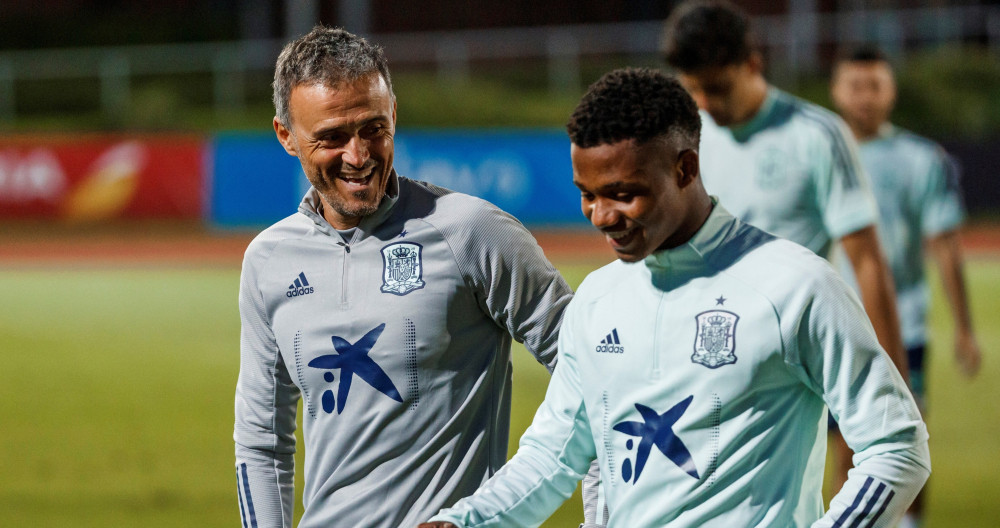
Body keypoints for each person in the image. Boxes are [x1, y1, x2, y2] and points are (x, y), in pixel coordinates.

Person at [419, 67, 929, 528]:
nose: (600, 216)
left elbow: (898, 445)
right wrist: (462, 522)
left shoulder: (796, 286)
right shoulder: (597, 299)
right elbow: (553, 457)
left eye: (622, 193)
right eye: (587, 193)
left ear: (685, 169)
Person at [233, 26, 575, 528]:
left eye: (373, 128)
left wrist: (496, 513)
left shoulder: (472, 231)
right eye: (331, 137)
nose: (358, 155)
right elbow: (261, 441)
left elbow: (594, 375)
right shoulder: (268, 260)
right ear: (287, 136)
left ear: (393, 113)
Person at [830, 45, 982, 528]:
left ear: (891, 91)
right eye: (855, 85)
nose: (865, 97)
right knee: (845, 446)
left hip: (904, 326)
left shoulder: (920, 158)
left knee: (908, 437)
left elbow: (945, 246)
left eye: (875, 85)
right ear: (837, 90)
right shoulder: (819, 153)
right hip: (835, 326)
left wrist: (963, 328)